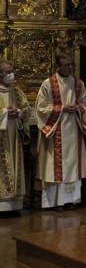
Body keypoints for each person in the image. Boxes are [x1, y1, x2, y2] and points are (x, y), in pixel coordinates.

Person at [35, 53, 86, 210]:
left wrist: (79, 108)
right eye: (66, 65)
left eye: (71, 65)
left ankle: (71, 200)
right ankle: (55, 202)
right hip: (55, 130)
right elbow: (40, 107)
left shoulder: (78, 84)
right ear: (58, 66)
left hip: (74, 128)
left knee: (72, 165)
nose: (70, 68)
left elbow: (85, 103)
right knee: (55, 166)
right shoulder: (48, 84)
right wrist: (62, 108)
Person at [0, 60, 31, 213]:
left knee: (16, 166)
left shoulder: (17, 91)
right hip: (2, 139)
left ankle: (14, 205)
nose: (11, 74)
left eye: (12, 71)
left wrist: (18, 112)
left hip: (15, 137)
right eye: (7, 72)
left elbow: (27, 109)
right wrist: (5, 112)